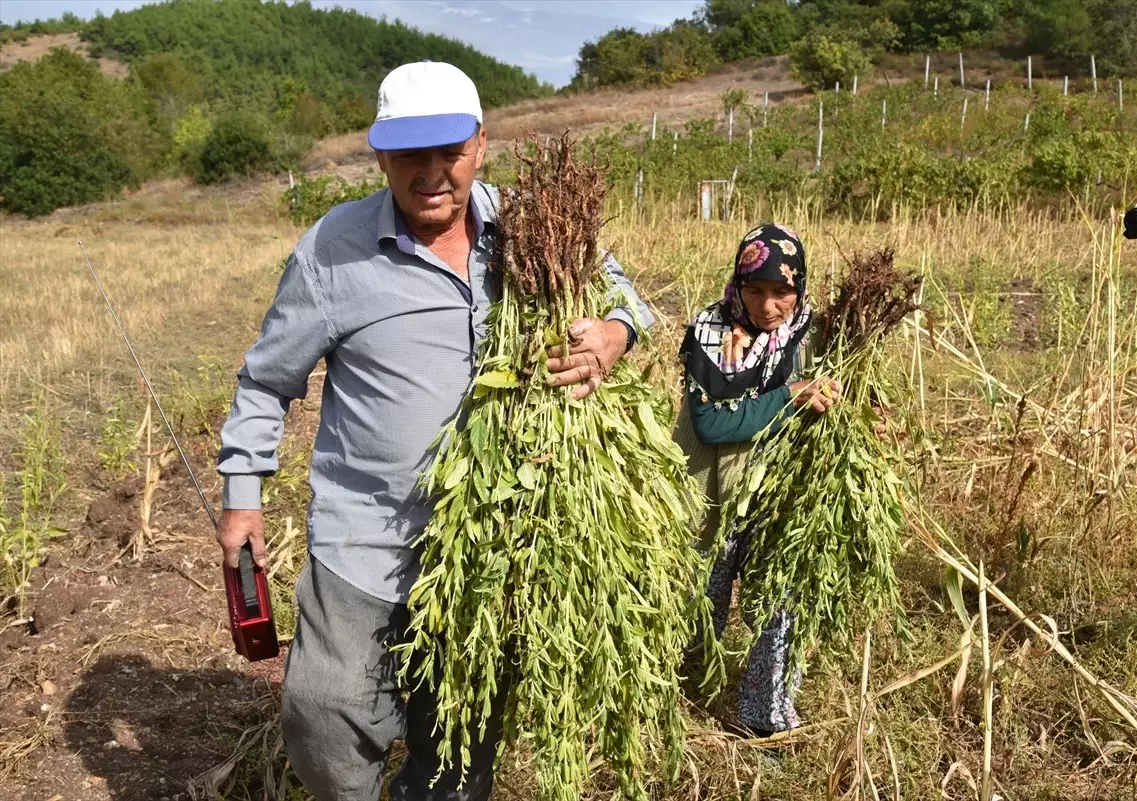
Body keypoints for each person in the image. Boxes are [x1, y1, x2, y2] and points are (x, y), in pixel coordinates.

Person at [215, 61, 653, 801]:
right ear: (380, 155)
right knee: (321, 712)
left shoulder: (535, 224)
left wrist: (614, 332)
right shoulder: (332, 250)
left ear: (481, 144)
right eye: (409, 155)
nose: (430, 174)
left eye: (448, 151)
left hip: (495, 543)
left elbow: (629, 299)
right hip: (368, 538)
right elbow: (266, 380)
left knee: (458, 747)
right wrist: (241, 494)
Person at [673, 223, 841, 737]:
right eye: (755, 289)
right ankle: (680, 697)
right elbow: (714, 422)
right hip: (715, 494)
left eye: (782, 291)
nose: (768, 305)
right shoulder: (711, 331)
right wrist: (790, 397)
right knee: (702, 598)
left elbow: (837, 394)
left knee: (780, 604)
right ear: (737, 284)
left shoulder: (813, 333)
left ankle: (764, 717)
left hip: (781, 495)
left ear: (800, 288)